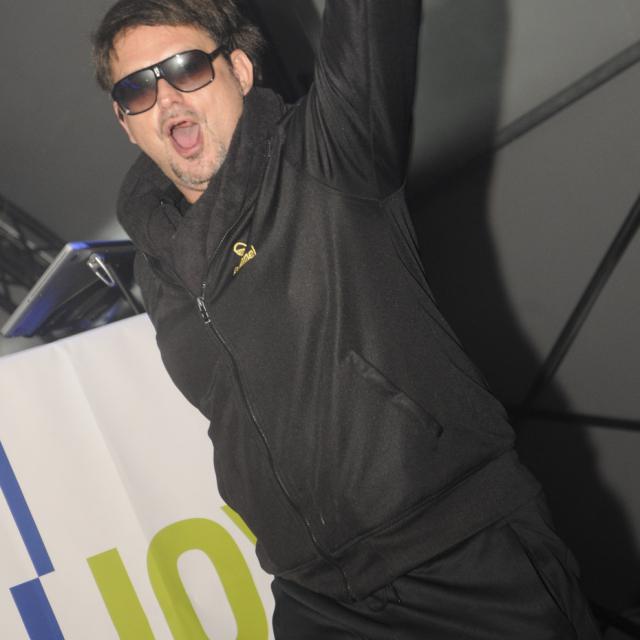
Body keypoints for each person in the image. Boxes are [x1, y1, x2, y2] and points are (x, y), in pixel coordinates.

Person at [92, 1, 602, 637]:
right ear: (125, 122)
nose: (166, 97)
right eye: (137, 88)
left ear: (241, 71)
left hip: (458, 554)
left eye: (186, 68)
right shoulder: (157, 266)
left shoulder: (328, 153)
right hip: (317, 596)